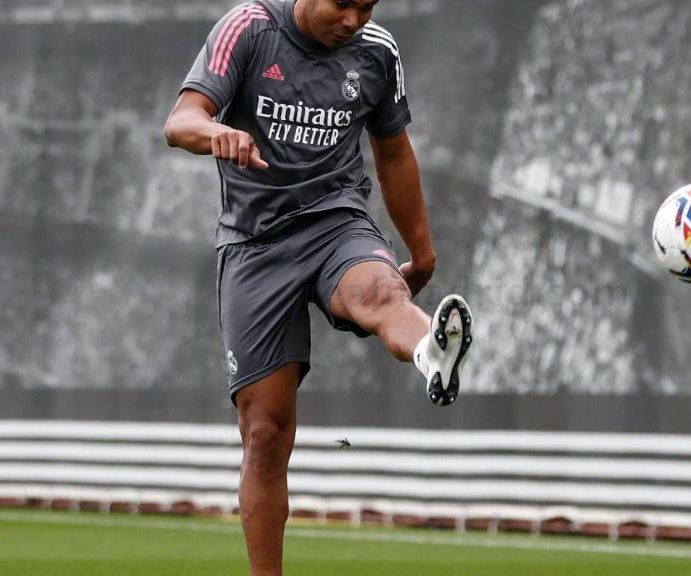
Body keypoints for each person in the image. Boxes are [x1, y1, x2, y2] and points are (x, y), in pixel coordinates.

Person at [163, 0, 473, 573]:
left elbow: (395, 155)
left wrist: (422, 252)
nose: (354, 18)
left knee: (382, 293)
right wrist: (216, 133)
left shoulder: (378, 51)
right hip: (254, 245)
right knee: (265, 433)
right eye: (343, 3)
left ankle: (433, 349)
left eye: (367, 5)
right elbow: (180, 121)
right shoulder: (248, 28)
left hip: (336, 221)